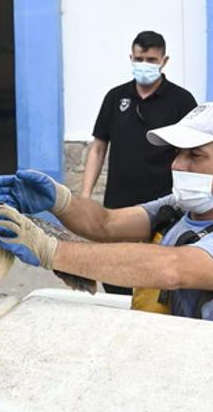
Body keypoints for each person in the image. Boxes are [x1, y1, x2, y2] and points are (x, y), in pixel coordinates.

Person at [0, 103, 213, 328]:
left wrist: (50, 249)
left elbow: (172, 269)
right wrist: (59, 200)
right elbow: (106, 224)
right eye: (177, 153)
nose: (177, 165)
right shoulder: (179, 209)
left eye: (195, 155)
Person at [82, 30, 197, 294]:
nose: (145, 65)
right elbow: (98, 147)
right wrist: (85, 196)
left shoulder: (181, 101)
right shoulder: (115, 97)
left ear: (164, 61)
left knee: (155, 279)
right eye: (139, 58)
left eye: (151, 59)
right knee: (114, 273)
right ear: (131, 58)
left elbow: (192, 153)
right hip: (117, 205)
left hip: (161, 208)